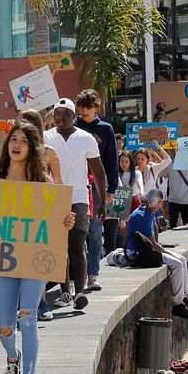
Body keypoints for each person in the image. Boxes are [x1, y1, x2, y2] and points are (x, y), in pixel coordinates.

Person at [0, 123, 76, 374]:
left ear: (32, 148)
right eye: (13, 139)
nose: (16, 144)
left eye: (23, 141)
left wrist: (66, 221)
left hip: (33, 263)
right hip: (3, 265)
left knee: (27, 319)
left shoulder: (44, 185)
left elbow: (56, 222)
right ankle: (12, 357)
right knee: (5, 327)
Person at [42, 99, 105, 310]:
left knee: (77, 245)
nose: (60, 118)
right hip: (53, 199)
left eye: (65, 114)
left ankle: (79, 293)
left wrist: (103, 202)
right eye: (56, 114)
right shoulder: (45, 138)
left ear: (73, 116)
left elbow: (98, 171)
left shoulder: (86, 139)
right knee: (59, 248)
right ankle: (64, 291)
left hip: (79, 198)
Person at [124, 190, 188, 319]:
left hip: (148, 249)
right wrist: (167, 252)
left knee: (182, 259)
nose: (160, 206)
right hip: (141, 253)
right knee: (177, 264)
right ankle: (178, 304)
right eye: (159, 202)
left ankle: (184, 297)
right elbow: (152, 243)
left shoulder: (149, 211)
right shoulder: (142, 215)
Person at [75, 90, 117, 292]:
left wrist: (111, 189)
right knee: (76, 233)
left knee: (94, 231)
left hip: (97, 188)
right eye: (81, 107)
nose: (83, 112)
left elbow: (111, 160)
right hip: (76, 185)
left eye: (87, 108)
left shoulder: (105, 129)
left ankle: (93, 274)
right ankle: (78, 276)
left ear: (96, 107)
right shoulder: (72, 126)